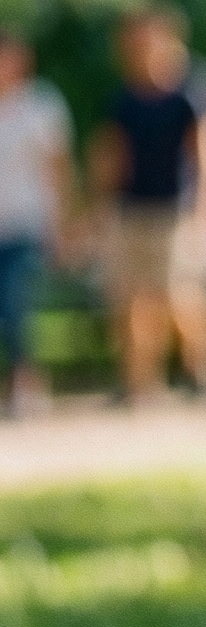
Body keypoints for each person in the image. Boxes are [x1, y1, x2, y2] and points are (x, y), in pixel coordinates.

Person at [90, 5, 206, 398]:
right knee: (130, 298)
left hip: (179, 208)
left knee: (180, 292)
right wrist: (100, 206)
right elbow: (111, 153)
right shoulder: (125, 95)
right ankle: (139, 382)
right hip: (132, 208)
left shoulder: (195, 87)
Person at [0, 29, 74, 414]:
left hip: (26, 224)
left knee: (15, 303)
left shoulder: (41, 105)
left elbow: (58, 170)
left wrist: (61, 225)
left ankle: (25, 381)